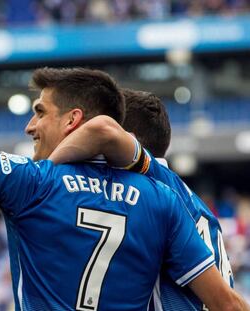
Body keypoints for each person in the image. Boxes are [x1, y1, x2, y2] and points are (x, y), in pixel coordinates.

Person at [0, 9, 247, 310]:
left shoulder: (34, 183)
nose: (30, 126)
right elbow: (226, 303)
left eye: (40, 112)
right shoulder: (163, 197)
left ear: (73, 120)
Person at [49, 88, 243, 310]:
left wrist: (43, 172)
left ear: (124, 139)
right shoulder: (192, 203)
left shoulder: (155, 185)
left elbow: (228, 304)